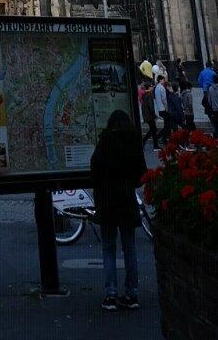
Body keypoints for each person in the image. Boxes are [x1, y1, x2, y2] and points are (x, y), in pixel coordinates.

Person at [90, 109, 145, 312]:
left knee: (108, 248)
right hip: (127, 201)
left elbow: (94, 169)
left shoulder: (105, 141)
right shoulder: (133, 142)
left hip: (107, 201)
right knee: (130, 248)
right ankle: (131, 293)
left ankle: (111, 293)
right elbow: (142, 174)